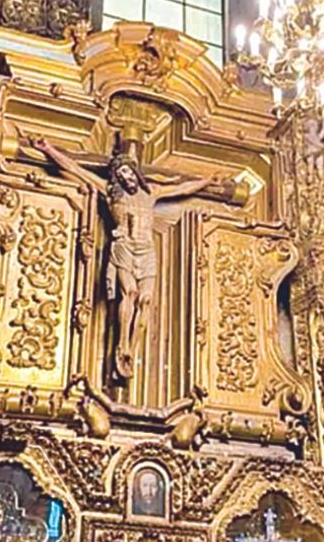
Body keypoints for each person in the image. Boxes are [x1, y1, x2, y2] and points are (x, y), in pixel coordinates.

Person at [33, 138, 223, 378]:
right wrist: (48, 148)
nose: (126, 176)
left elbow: (183, 188)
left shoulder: (152, 192)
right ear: (117, 176)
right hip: (124, 246)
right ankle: (122, 344)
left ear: (135, 172)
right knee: (130, 293)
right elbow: (76, 169)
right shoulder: (111, 193)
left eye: (129, 171)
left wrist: (207, 180)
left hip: (146, 249)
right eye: (121, 172)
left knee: (145, 300)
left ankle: (132, 350)